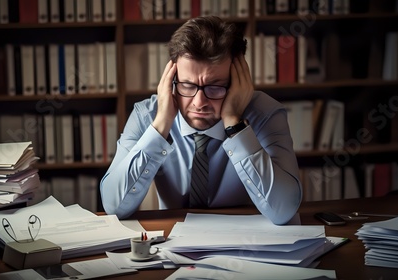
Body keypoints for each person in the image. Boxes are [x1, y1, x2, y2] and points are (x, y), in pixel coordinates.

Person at [100, 15, 302, 225]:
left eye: (215, 86)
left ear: (237, 82)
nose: (199, 102)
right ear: (171, 79)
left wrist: (235, 125)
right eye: (187, 85)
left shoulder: (265, 114)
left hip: (243, 246)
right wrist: (160, 126)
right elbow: (114, 206)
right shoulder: (147, 115)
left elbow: (284, 210)